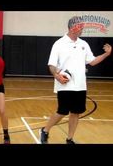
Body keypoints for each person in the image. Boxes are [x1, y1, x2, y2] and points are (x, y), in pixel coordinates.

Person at [39, 16, 112, 144]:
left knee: (76, 112)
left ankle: (69, 138)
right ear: (73, 28)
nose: (82, 28)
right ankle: (45, 130)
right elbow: (51, 65)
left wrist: (106, 54)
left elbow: (92, 61)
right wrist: (57, 76)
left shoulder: (83, 44)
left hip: (80, 85)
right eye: (80, 26)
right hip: (65, 84)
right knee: (62, 111)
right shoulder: (59, 44)